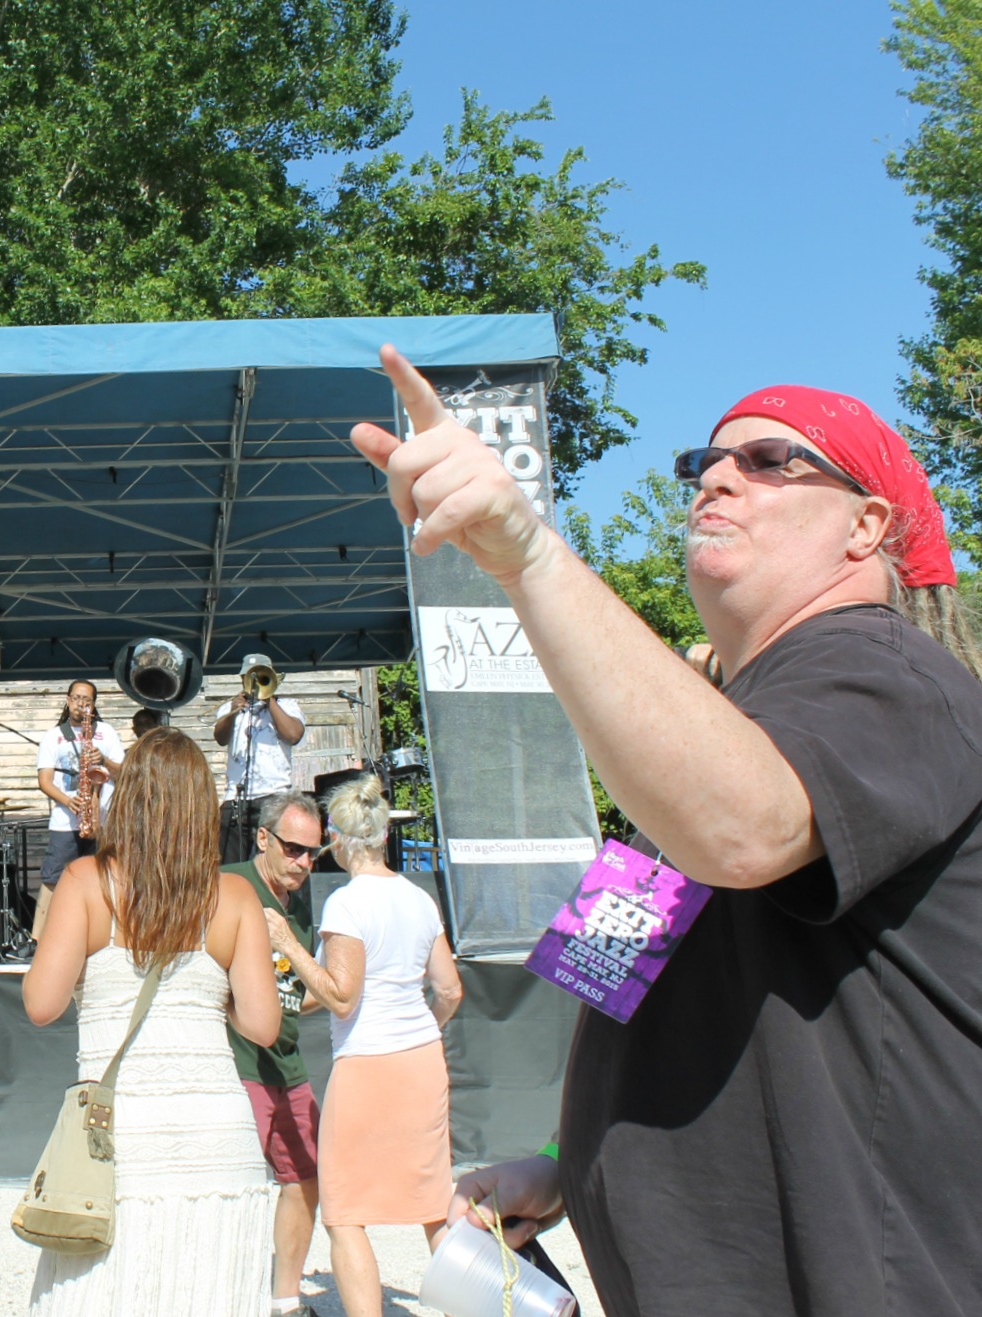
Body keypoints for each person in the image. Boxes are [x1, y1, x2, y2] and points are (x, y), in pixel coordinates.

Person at [354, 349, 982, 1314]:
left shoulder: (885, 671)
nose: (716, 476)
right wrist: (564, 1163)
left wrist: (525, 548)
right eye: (707, 460)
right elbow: (613, 987)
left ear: (867, 527)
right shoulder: (727, 716)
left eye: (771, 460)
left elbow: (743, 832)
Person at [22, 726, 282, 1315]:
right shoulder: (235, 896)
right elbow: (263, 1026)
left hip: (120, 1140)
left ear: (130, 795)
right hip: (218, 1138)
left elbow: (42, 1005)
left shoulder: (88, 883)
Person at [272, 774, 462, 1317]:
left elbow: (341, 996)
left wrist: (286, 943)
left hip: (367, 1064)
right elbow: (449, 990)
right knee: (433, 1204)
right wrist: (420, 1030)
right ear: (381, 834)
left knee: (345, 1209)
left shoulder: (347, 904)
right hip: (422, 1057)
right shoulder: (420, 898)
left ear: (338, 840)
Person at [223, 789, 330, 1316]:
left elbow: (294, 994)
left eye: (313, 853)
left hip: (287, 1065)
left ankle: (284, 1300)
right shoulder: (229, 886)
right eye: (293, 849)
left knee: (306, 1180)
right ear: (262, 838)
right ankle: (228, 1297)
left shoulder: (299, 905)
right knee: (233, 1192)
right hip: (236, 1064)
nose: (304, 863)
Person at [31, 680, 125, 944]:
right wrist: (68, 801)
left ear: (93, 705)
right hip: (66, 820)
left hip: (102, 820)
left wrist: (103, 761)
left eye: (87, 700)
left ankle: (104, 938)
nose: (80, 704)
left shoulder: (106, 732)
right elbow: (44, 781)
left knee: (104, 878)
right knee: (53, 878)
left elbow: (125, 773)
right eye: (76, 698)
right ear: (68, 700)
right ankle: (36, 939)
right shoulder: (53, 736)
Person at [214, 655, 306, 862]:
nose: (254, 683)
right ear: (241, 679)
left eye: (261, 678)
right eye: (249, 677)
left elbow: (293, 735)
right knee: (231, 867)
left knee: (272, 864)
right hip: (236, 799)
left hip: (274, 798)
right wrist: (232, 711)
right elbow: (220, 737)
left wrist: (269, 699)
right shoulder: (231, 708)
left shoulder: (287, 705)